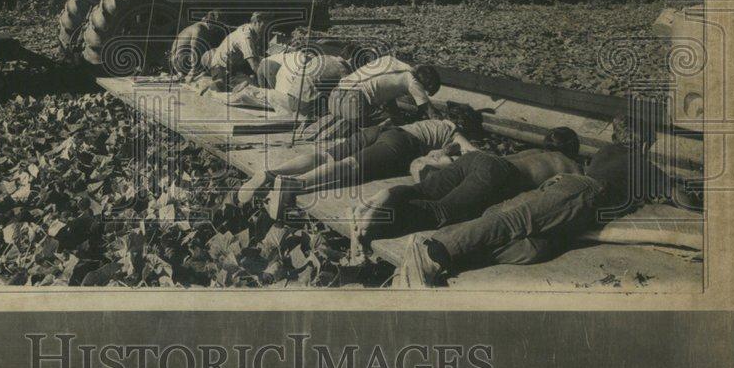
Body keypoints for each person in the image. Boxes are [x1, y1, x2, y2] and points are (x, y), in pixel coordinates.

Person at [393, 115, 700, 288]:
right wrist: (678, 185)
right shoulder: (641, 162)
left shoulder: (607, 152)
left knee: (532, 248)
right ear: (645, 142)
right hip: (582, 192)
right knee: (516, 220)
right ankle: (437, 251)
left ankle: (454, 255)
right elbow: (683, 201)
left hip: (571, 196)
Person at [351, 127, 582, 244]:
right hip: (495, 172)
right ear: (575, 149)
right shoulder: (571, 166)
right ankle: (382, 219)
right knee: (443, 212)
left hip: (477, 159)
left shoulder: (536, 151)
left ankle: (388, 194)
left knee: (424, 190)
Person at [235, 117, 469, 209]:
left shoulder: (435, 121)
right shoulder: (454, 131)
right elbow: (472, 153)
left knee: (324, 156)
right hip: (401, 143)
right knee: (350, 165)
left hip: (380, 131)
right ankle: (295, 184)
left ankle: (272, 173)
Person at [304, 55, 441, 141]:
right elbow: (430, 112)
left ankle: (330, 124)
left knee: (384, 115)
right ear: (425, 82)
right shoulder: (413, 81)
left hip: (335, 96)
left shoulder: (389, 60)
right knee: (390, 125)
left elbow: (388, 97)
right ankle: (348, 128)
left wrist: (396, 113)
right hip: (353, 101)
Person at [229, 50, 351, 118]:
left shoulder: (324, 57)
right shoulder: (343, 69)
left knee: (272, 97)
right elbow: (345, 92)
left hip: (292, 95)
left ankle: (247, 91)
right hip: (301, 104)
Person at [199, 12, 271, 91]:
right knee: (251, 87)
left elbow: (256, 57)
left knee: (253, 78)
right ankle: (218, 84)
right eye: (264, 26)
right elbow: (253, 64)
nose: (265, 30)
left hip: (234, 65)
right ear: (256, 22)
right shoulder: (246, 37)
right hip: (221, 67)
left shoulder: (252, 31)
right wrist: (264, 86)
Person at [169, 10, 226, 80]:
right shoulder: (199, 29)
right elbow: (194, 48)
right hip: (182, 62)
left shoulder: (195, 27)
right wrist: (192, 71)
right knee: (214, 52)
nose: (216, 29)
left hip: (178, 62)